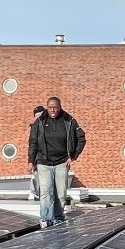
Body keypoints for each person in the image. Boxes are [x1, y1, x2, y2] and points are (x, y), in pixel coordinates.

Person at [27, 96, 84, 227]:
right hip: (43, 162)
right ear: (47, 107)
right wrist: (31, 161)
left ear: (60, 107)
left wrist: (74, 155)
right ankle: (46, 218)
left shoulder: (68, 120)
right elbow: (33, 142)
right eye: (50, 107)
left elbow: (81, 138)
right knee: (46, 191)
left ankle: (58, 217)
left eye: (56, 107)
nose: (53, 110)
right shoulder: (40, 122)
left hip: (62, 162)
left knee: (60, 192)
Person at [27, 105, 46, 202]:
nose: (39, 118)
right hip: (39, 160)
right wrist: (31, 161)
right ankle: (37, 198)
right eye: (37, 116)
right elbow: (32, 146)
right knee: (37, 180)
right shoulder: (35, 127)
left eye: (40, 115)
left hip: (52, 160)